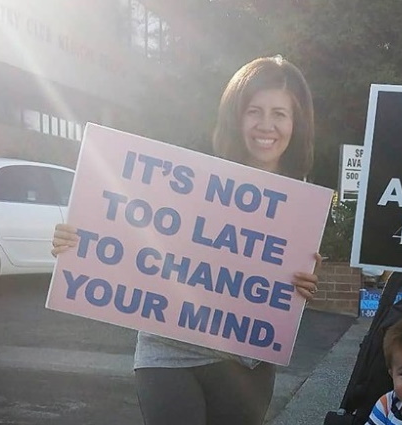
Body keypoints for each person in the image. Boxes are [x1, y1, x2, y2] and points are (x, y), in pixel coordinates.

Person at [51, 56, 321, 425]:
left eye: (279, 114)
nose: (266, 125)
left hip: (245, 362)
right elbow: (128, 230)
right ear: (236, 117)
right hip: (168, 352)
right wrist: (79, 241)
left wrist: (304, 284)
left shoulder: (302, 202)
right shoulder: (189, 176)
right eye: (254, 111)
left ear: (296, 123)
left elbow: (286, 284)